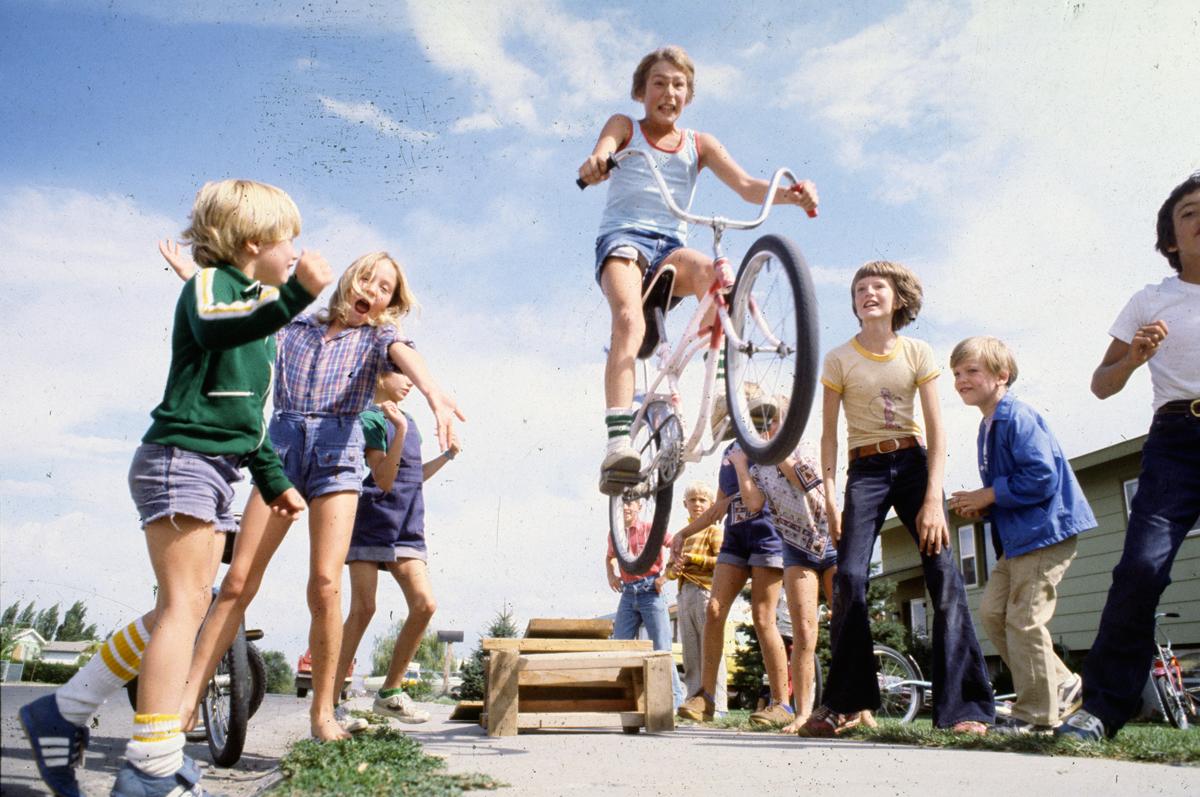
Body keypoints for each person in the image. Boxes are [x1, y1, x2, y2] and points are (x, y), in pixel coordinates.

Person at [21, 179, 330, 797]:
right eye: (287, 239)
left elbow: (245, 419)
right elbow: (215, 328)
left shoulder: (257, 322)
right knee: (185, 607)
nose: (296, 251)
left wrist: (274, 482)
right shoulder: (212, 287)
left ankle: (66, 709)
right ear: (252, 242)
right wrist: (297, 294)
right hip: (179, 460)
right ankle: (153, 765)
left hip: (213, 469)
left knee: (181, 606)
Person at [161, 247, 465, 741]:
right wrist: (193, 278)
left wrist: (434, 393)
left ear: (389, 303)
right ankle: (186, 700)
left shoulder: (377, 337)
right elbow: (238, 315)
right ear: (348, 279)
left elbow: (404, 352)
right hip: (281, 449)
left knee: (325, 584)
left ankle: (323, 714)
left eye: (384, 288)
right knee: (238, 581)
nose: (372, 290)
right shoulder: (296, 323)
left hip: (337, 455)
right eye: (367, 278)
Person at [577, 44, 818, 495]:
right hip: (624, 241)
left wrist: (791, 195)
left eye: (679, 85)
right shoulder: (625, 125)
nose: (669, 93)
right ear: (641, 91)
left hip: (670, 248)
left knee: (716, 276)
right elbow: (603, 150)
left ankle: (726, 397)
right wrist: (596, 163)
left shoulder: (699, 144)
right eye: (659, 83)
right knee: (628, 319)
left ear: (688, 95)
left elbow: (746, 185)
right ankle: (617, 443)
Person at [799, 261, 994, 737]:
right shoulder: (839, 359)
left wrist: (932, 500)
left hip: (913, 466)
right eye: (860, 288)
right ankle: (844, 704)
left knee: (943, 574)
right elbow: (828, 436)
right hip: (864, 471)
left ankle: (964, 709)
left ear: (898, 300)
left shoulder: (917, 352)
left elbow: (936, 428)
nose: (868, 293)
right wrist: (830, 499)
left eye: (878, 287)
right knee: (848, 577)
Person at [1057, 173, 1200, 742]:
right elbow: (1101, 384)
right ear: (1170, 239)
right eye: (1189, 212)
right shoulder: (1150, 300)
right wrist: (1135, 357)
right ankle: (1101, 710)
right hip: (1176, 442)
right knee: (1140, 568)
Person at [948, 336, 1095, 735]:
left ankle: (1037, 716)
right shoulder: (988, 425)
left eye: (971, 371)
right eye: (956, 373)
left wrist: (989, 494)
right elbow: (1013, 486)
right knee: (993, 613)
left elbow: (1042, 476)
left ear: (1002, 375)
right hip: (1018, 540)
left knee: (1025, 619)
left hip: (1045, 533)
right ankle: (1061, 684)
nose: (961, 380)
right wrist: (984, 505)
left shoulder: (1017, 417)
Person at [333, 370, 461, 726]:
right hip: (373, 521)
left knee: (424, 604)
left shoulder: (410, 419)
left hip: (407, 524)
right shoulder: (371, 418)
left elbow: (412, 476)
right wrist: (399, 430)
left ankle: (389, 693)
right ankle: (330, 702)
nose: (409, 381)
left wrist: (447, 456)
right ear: (379, 376)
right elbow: (384, 479)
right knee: (363, 609)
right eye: (400, 374)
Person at [674, 395, 794, 728]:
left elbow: (757, 501)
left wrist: (743, 465)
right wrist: (683, 533)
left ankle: (781, 703)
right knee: (714, 609)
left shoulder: (771, 445)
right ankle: (705, 697)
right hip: (736, 537)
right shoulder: (729, 452)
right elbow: (719, 507)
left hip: (767, 535)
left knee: (763, 617)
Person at [605, 498, 685, 708]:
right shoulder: (615, 534)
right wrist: (611, 575)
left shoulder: (651, 529)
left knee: (661, 647)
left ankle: (675, 703)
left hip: (651, 590)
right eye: (622, 503)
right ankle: (622, 699)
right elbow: (610, 557)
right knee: (619, 644)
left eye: (630, 503)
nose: (626, 507)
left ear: (639, 506)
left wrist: (666, 576)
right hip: (628, 593)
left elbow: (677, 547)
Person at [662, 481, 728, 716]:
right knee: (691, 652)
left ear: (711, 505)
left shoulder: (713, 530)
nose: (697, 504)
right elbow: (670, 571)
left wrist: (694, 559)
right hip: (684, 593)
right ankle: (693, 700)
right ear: (685, 504)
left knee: (711, 649)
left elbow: (721, 562)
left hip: (705, 591)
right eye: (693, 500)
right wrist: (674, 569)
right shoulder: (682, 535)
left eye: (702, 500)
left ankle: (718, 704)